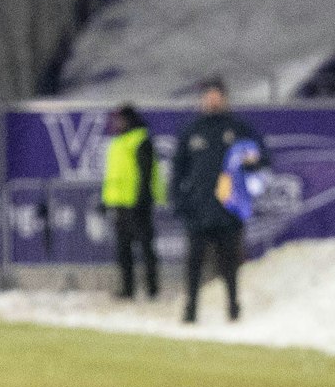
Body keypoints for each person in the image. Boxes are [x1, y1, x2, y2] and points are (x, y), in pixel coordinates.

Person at [172, 77, 267, 324]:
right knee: (194, 263)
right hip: (199, 211)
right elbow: (177, 171)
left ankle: (234, 307)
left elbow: (262, 157)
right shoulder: (192, 131)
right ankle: (191, 309)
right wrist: (181, 203)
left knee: (230, 263)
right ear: (202, 99)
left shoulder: (237, 129)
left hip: (228, 211)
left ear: (224, 99)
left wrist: (251, 163)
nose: (212, 100)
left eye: (217, 95)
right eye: (208, 96)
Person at [100, 103, 160, 301]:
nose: (117, 123)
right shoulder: (118, 142)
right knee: (123, 249)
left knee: (145, 248)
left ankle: (152, 289)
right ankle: (128, 288)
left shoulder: (140, 140)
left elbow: (146, 173)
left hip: (138, 205)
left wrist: (142, 199)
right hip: (120, 206)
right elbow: (113, 176)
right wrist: (105, 201)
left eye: (120, 119)